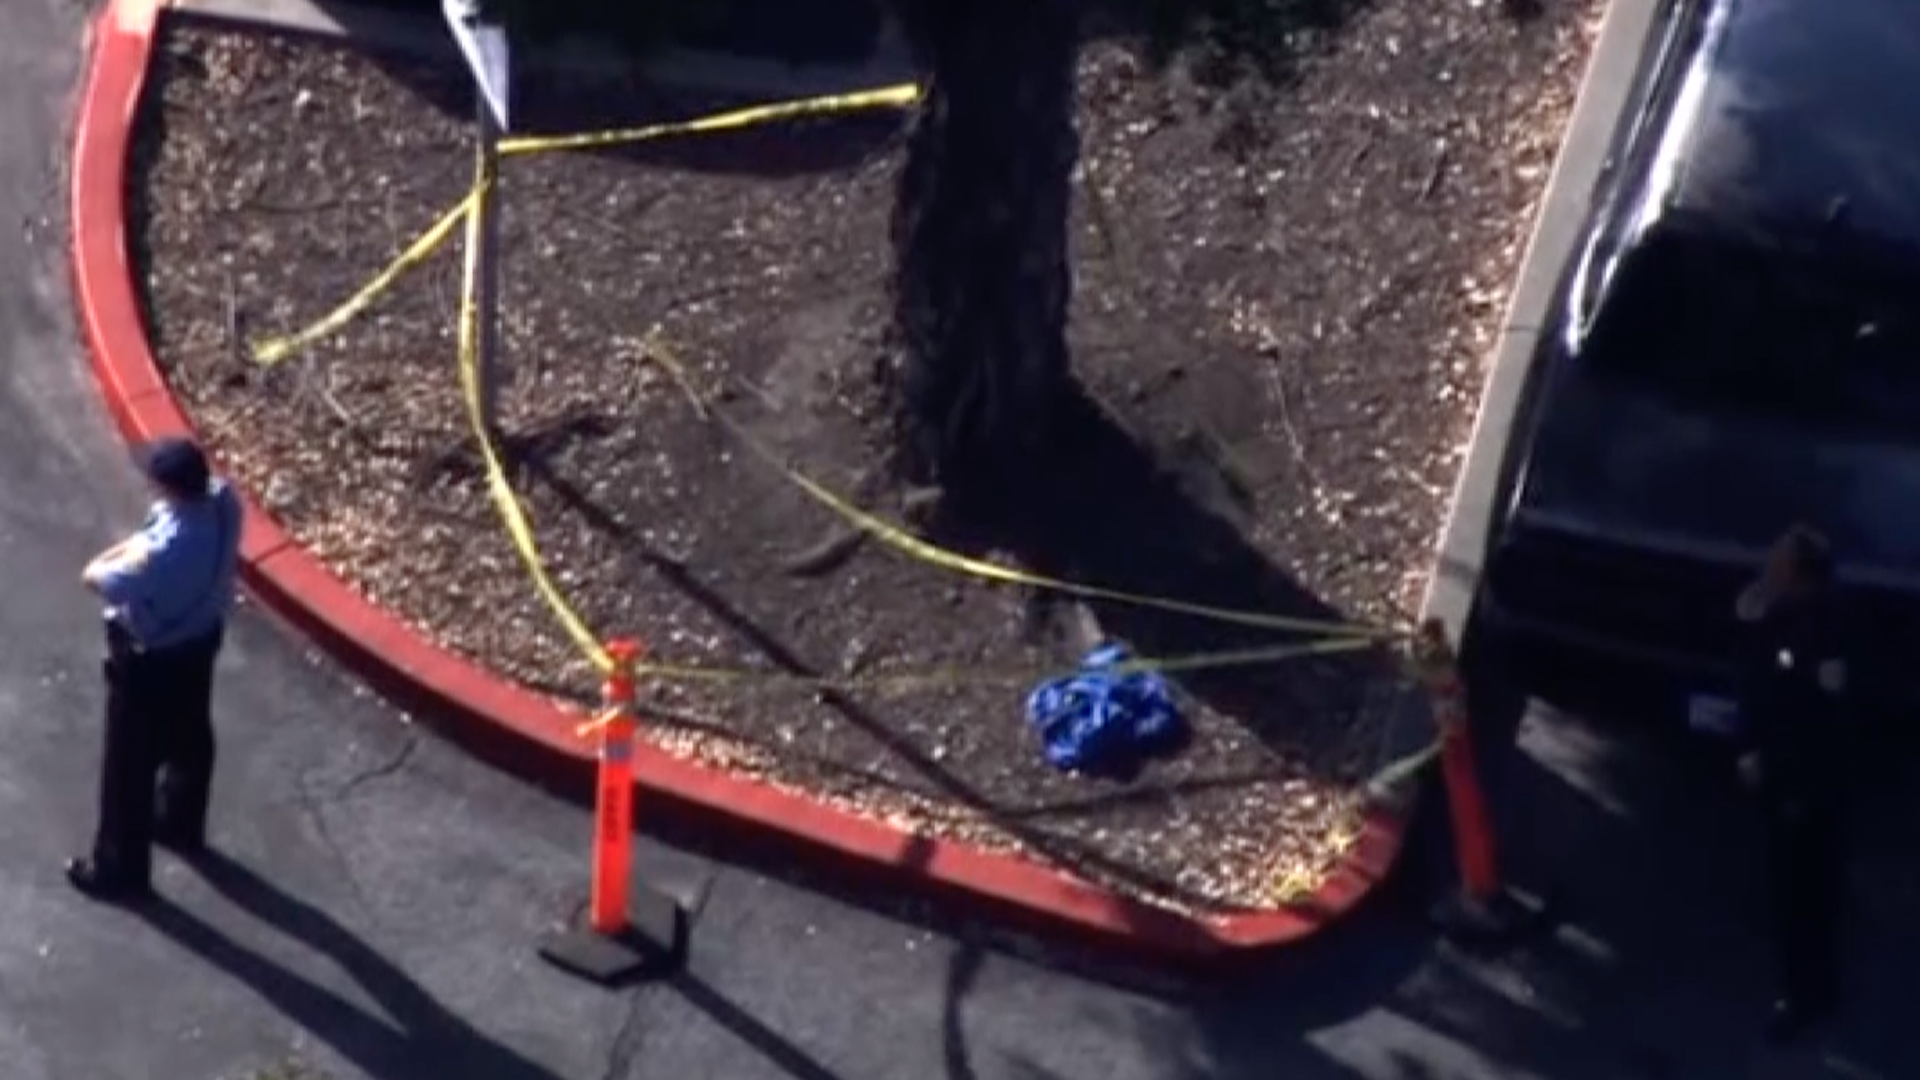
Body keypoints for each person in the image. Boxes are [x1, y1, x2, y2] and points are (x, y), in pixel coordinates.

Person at [67, 437, 242, 902]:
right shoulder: (225, 505)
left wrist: (117, 551)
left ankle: (120, 867)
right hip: (199, 644)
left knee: (128, 767)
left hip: (149, 661)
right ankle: (180, 822)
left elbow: (96, 577)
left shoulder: (163, 552)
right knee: (190, 734)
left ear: (169, 487)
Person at [1733, 524, 1853, 1039]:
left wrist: (1777, 770)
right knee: (1792, 888)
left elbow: (1818, 726)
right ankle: (1807, 984)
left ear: (1803, 578)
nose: (1770, 567)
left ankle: (1806, 995)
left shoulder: (1823, 637)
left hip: (1802, 787)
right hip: (1781, 775)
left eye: (1781, 564)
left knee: (1802, 895)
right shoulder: (1789, 617)